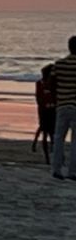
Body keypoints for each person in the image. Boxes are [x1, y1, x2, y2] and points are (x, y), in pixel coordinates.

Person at [51, 36, 76, 180]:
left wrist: (57, 96)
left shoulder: (59, 64)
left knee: (59, 137)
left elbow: (51, 83)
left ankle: (57, 169)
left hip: (62, 104)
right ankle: (73, 172)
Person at [32, 64, 56, 164]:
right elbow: (38, 98)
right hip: (44, 110)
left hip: (51, 109)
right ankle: (47, 158)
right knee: (45, 131)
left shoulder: (53, 83)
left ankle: (51, 153)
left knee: (50, 132)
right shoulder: (40, 83)